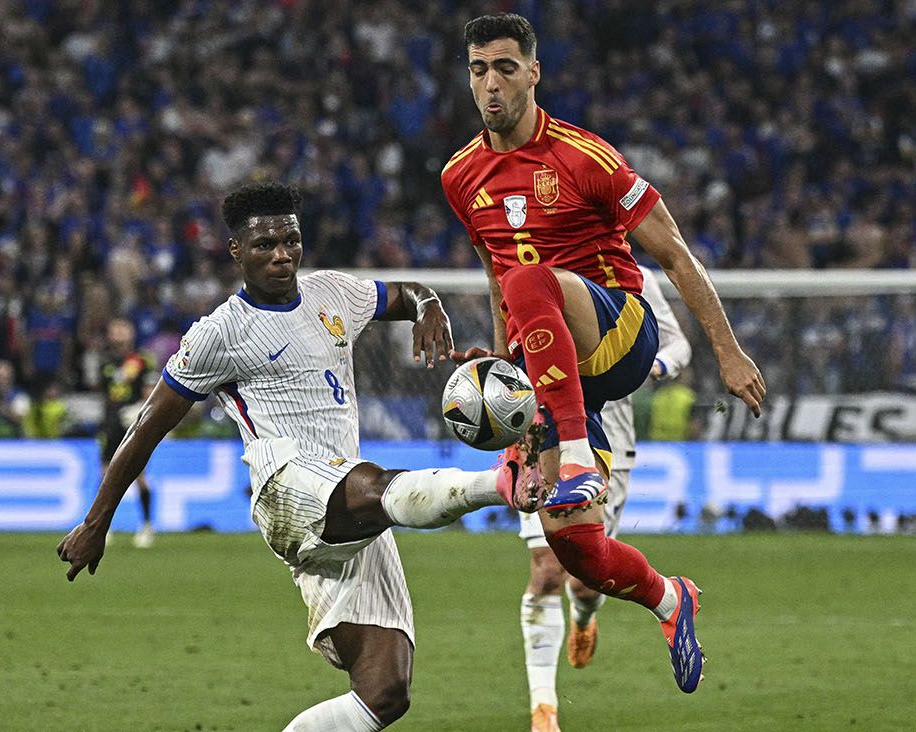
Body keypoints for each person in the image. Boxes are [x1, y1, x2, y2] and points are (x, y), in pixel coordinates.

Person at [58, 182, 537, 731]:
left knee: (386, 691)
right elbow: (145, 429)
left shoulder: (333, 293)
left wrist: (429, 305)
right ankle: (502, 484)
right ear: (236, 250)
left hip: (350, 499)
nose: (282, 255)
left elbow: (401, 293)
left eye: (291, 240)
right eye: (265, 245)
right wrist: (97, 522)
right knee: (375, 485)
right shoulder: (219, 334)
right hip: (284, 482)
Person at [441, 12, 766, 698]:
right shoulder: (460, 176)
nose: (490, 83)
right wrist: (508, 376)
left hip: (619, 332)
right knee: (573, 553)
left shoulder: (586, 157)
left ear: (534, 72)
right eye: (478, 69)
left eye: (505, 67)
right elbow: (495, 277)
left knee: (536, 280)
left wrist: (727, 353)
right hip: (554, 371)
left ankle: (580, 458)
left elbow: (675, 255)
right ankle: (670, 599)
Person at [516, 266, 691, 730]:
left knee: (583, 581)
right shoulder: (536, 265)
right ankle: (544, 710)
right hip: (544, 434)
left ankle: (585, 615)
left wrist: (653, 365)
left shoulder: (635, 279)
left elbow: (679, 344)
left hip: (607, 441)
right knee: (547, 569)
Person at [98, 318, 158, 548]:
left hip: (133, 421)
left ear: (131, 332)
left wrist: (139, 411)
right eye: (115, 329)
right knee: (105, 476)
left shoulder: (142, 360)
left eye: (123, 328)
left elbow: (151, 391)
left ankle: (146, 525)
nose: (118, 333)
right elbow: (106, 395)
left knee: (138, 475)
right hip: (112, 422)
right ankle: (102, 526)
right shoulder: (105, 362)